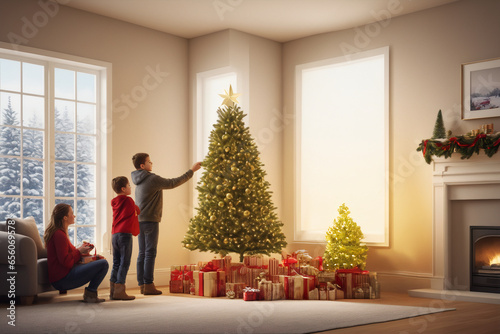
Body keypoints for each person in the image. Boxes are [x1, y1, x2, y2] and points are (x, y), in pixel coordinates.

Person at [131, 153, 201, 295]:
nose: (152, 163)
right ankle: (149, 284)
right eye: (149, 161)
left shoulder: (137, 179)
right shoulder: (151, 179)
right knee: (150, 252)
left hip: (140, 220)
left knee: (142, 253)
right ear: (142, 166)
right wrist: (191, 171)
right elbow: (173, 183)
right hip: (150, 220)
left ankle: (142, 285)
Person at [44, 203, 109, 303]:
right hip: (62, 280)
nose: (74, 216)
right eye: (72, 213)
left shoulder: (60, 233)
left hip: (62, 276)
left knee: (99, 260)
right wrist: (79, 251)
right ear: (65, 217)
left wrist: (87, 253)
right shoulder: (59, 235)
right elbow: (66, 261)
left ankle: (90, 295)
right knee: (104, 264)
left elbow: (71, 255)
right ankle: (90, 294)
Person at [110, 176, 140, 300]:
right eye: (128, 185)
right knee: (125, 262)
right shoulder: (128, 201)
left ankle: (113, 290)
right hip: (124, 235)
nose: (130, 187)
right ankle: (120, 290)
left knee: (116, 262)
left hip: (114, 234)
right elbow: (138, 210)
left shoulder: (114, 201)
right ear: (123, 189)